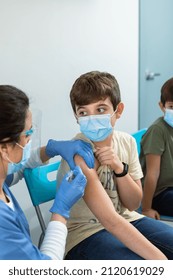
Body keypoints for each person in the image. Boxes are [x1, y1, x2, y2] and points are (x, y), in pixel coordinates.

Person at [57, 71, 173, 260]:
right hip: (86, 234)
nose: (92, 118)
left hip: (128, 219)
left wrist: (119, 168)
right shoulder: (79, 151)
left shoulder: (126, 142)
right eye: (83, 112)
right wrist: (161, 262)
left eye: (100, 109)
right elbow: (110, 220)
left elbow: (133, 204)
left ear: (118, 111)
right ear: (76, 116)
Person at [0, 85, 94, 260]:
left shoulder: (3, 177)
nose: (30, 140)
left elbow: (19, 167)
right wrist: (61, 210)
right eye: (27, 134)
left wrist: (50, 149)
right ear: (4, 148)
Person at [139, 77, 173, 219]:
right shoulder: (157, 130)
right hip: (158, 193)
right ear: (162, 106)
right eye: (171, 106)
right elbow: (152, 173)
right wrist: (146, 208)